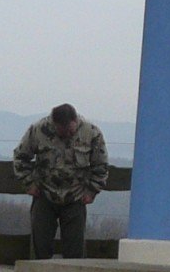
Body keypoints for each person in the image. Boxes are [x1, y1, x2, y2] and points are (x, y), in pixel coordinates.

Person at [12, 103, 109, 260]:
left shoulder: (91, 133)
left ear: (75, 121)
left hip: (76, 198)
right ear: (54, 124)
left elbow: (101, 166)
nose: (66, 135)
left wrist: (92, 191)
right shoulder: (38, 130)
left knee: (74, 253)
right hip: (44, 195)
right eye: (62, 132)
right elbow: (20, 157)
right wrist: (29, 183)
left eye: (70, 131)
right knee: (40, 250)